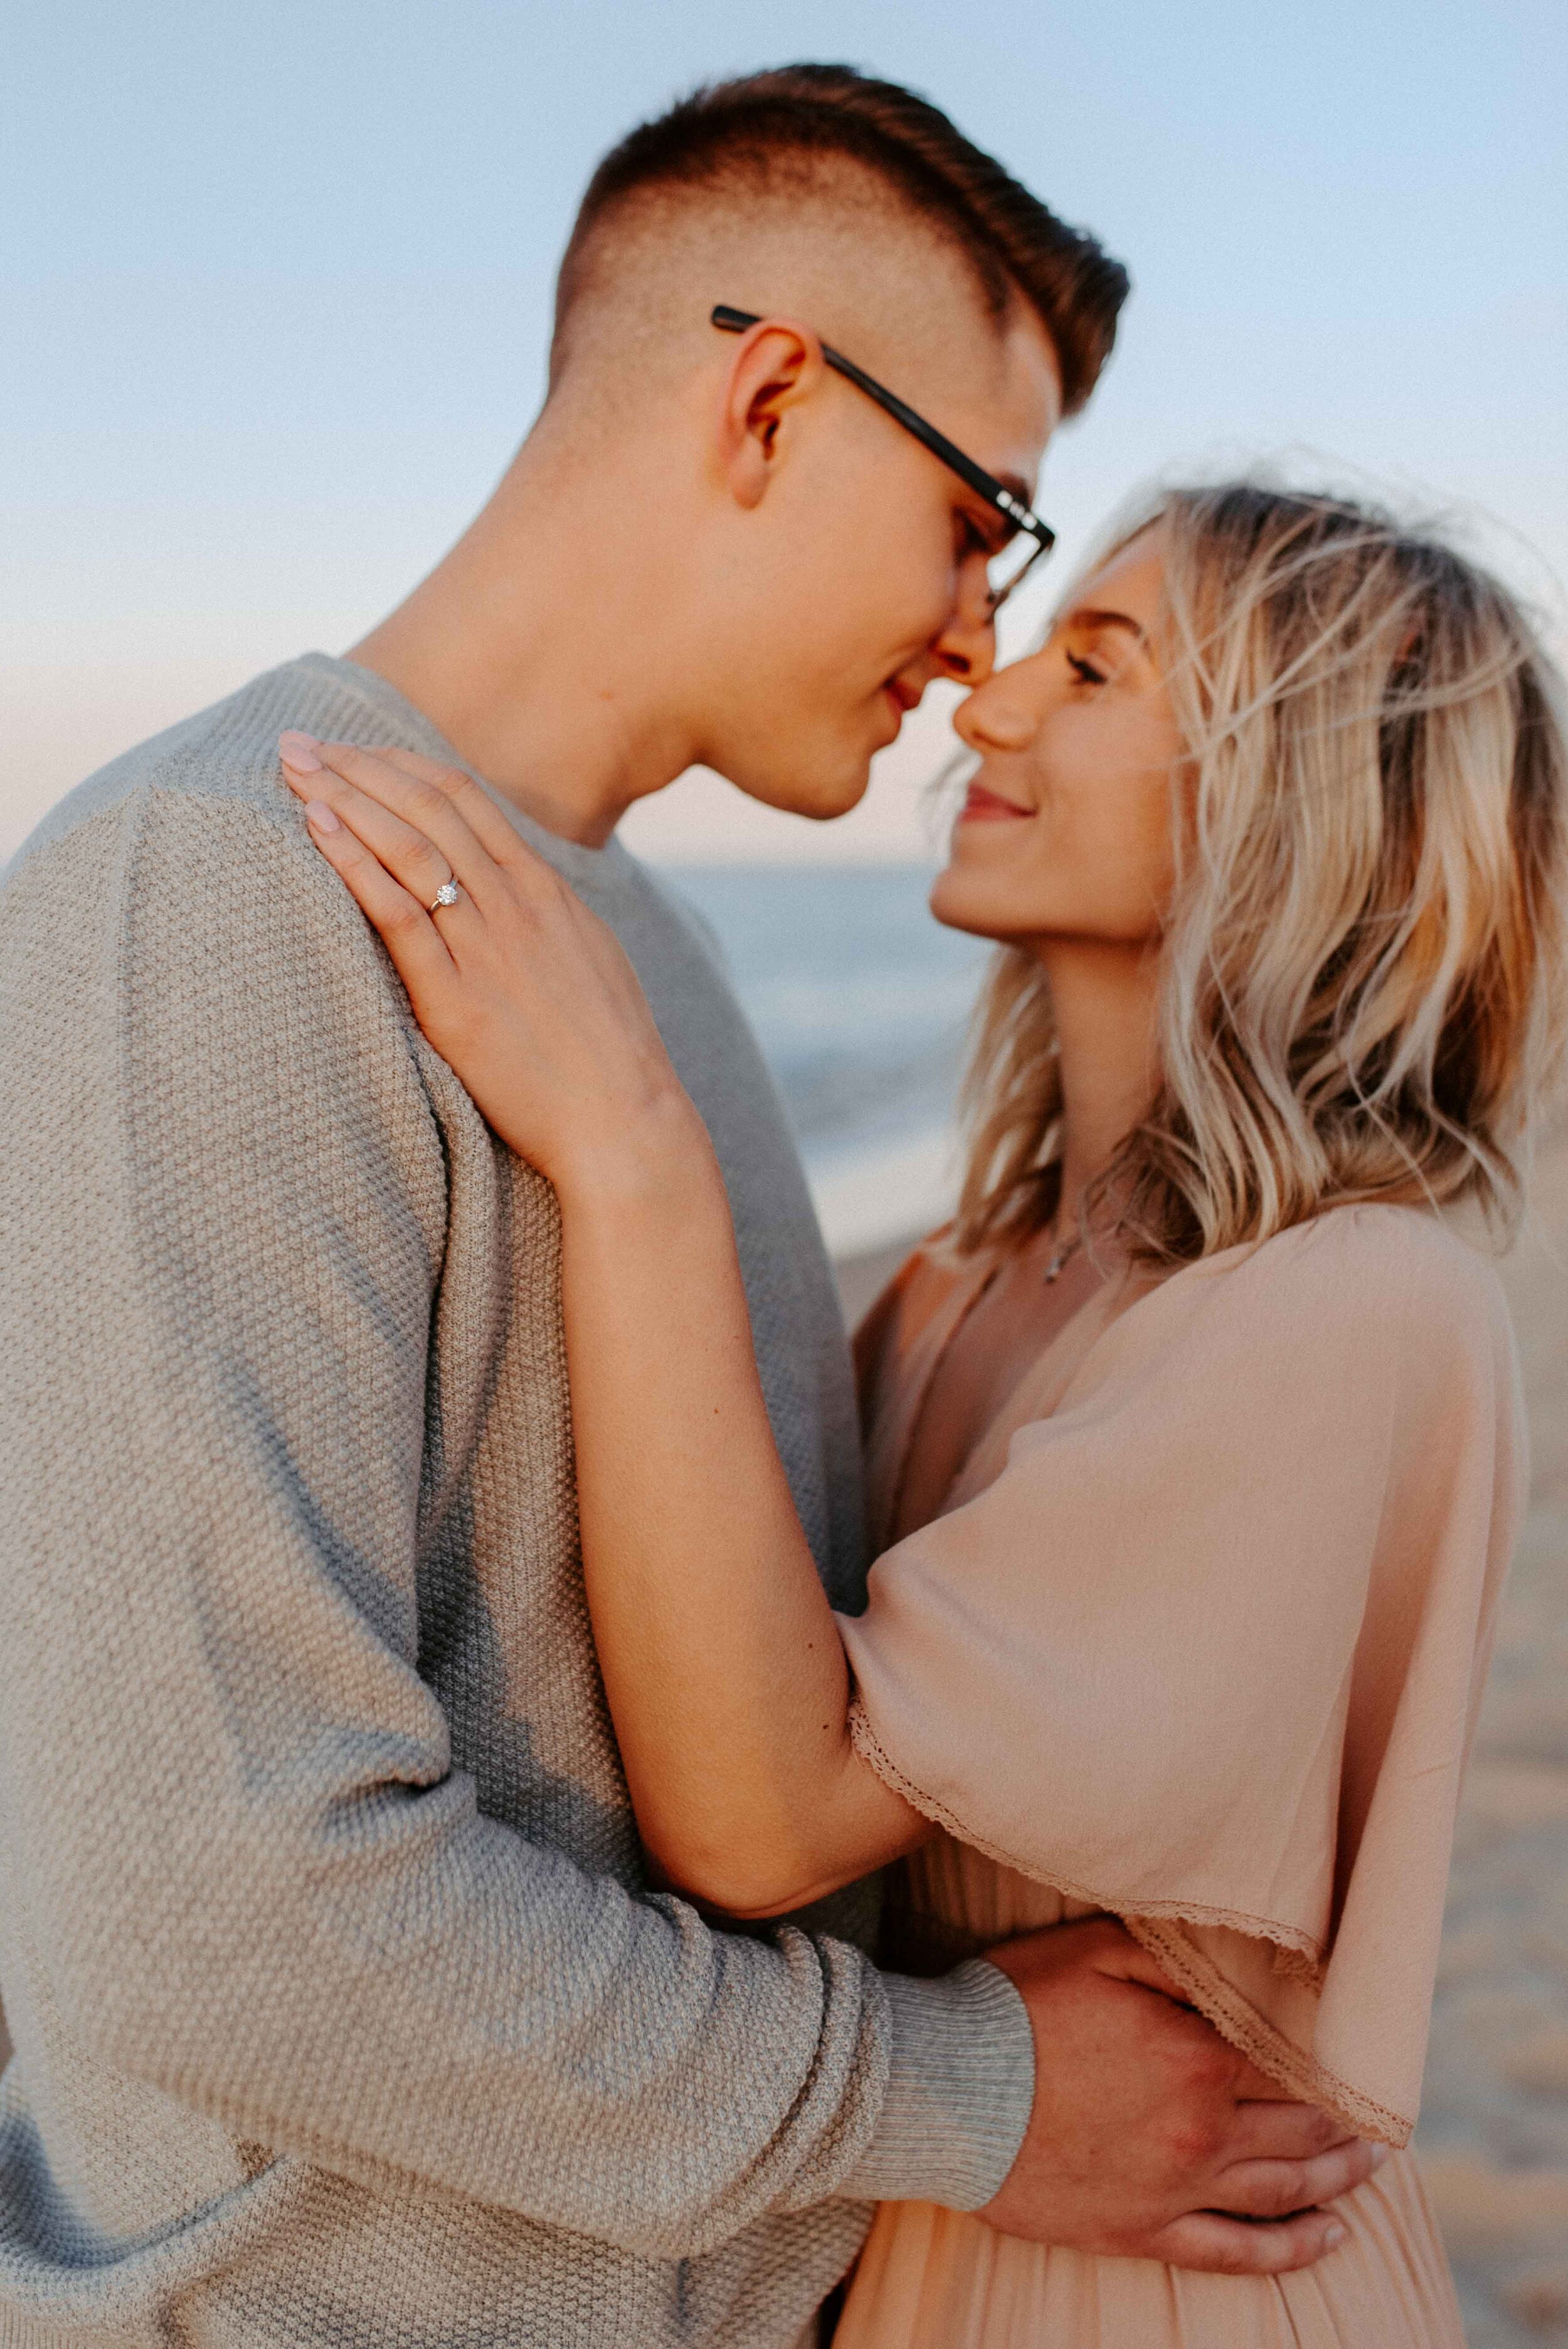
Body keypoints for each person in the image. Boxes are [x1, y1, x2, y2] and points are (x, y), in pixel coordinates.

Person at [0, 68, 1373, 2349]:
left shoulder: (666, 963)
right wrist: (962, 2092)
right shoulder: (210, 894)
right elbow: (221, 1903)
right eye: (980, 523)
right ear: (766, 401)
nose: (977, 640)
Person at [286, 480, 1567, 2345]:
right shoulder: (959, 1285)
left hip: (1162, 2288)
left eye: (1099, 666)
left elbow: (762, 1810)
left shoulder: (1357, 1306)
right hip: (931, 2242)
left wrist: (630, 1149)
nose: (984, 702)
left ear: (1293, 776)